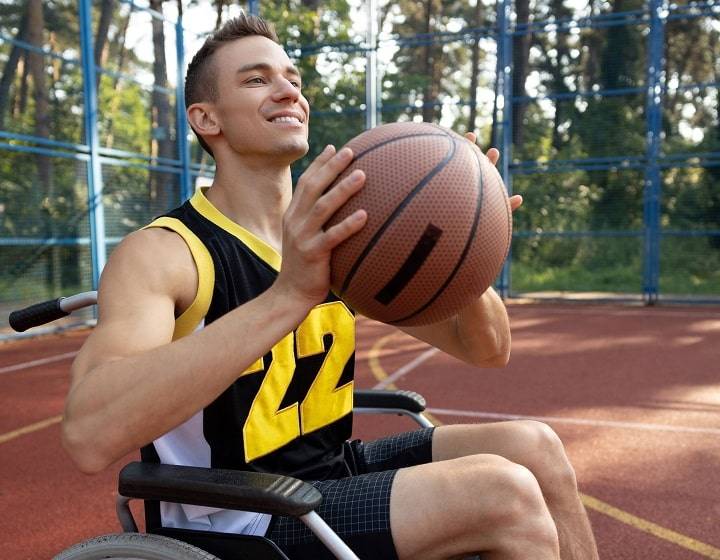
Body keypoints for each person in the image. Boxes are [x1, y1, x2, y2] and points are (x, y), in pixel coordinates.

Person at [62, 14, 598, 560]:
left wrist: (465, 237)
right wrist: (288, 294)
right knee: (501, 494)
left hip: (330, 474)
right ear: (207, 118)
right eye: (256, 79)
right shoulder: (166, 252)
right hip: (239, 513)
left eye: (292, 78)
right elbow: (89, 434)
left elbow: (487, 350)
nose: (287, 90)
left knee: (534, 447)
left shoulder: (344, 234)